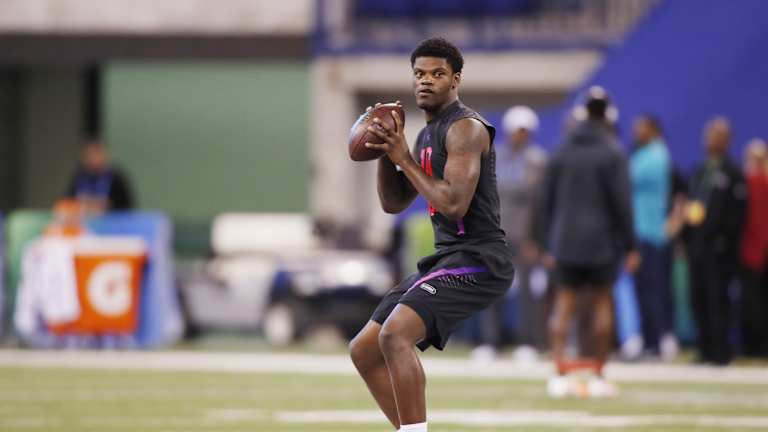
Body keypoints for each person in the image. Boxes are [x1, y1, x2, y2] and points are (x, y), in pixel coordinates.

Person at [348, 37, 514, 432]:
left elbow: (454, 204)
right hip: (447, 258)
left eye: (437, 74)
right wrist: (385, 150)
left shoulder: (466, 129)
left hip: (480, 258)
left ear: (455, 80)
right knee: (364, 350)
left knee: (395, 335)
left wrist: (403, 157)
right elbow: (393, 203)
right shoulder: (425, 135)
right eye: (419, 74)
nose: (426, 80)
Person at [537, 86, 638, 397]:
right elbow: (622, 203)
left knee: (563, 305)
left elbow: (545, 201)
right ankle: (598, 375)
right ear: (607, 116)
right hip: (601, 243)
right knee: (602, 305)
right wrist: (630, 245)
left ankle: (559, 376)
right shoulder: (613, 151)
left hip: (565, 242)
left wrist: (545, 243)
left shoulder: (561, 150)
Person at [470, 105, 548, 361]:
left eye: (525, 131)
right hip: (495, 233)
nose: (520, 135)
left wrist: (536, 239)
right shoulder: (494, 158)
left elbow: (540, 204)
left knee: (527, 291)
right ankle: (491, 342)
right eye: (517, 130)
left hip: (524, 234)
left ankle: (527, 342)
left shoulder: (537, 161)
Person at [685, 117, 747, 365]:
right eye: (708, 135)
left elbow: (738, 212)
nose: (710, 141)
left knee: (718, 298)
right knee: (698, 297)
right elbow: (691, 202)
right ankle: (705, 348)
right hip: (698, 245)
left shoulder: (732, 172)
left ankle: (721, 350)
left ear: (727, 140)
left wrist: (725, 239)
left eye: (716, 136)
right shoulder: (701, 170)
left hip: (720, 248)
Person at [629, 114, 678, 360]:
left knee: (651, 290)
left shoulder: (656, 155)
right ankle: (649, 342)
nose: (636, 131)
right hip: (641, 231)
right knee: (643, 290)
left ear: (654, 129)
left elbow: (627, 179)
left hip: (650, 231)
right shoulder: (642, 154)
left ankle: (657, 342)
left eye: (642, 127)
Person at [738, 138, 768, 357]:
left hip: (756, 249)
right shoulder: (749, 181)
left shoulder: (755, 182)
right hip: (752, 248)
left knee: (755, 300)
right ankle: (754, 345)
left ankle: (756, 346)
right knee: (753, 300)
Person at [65, 136, 134, 214]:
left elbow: (128, 208)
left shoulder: (116, 179)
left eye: (97, 153)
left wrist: (109, 207)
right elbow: (67, 203)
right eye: (89, 154)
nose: (93, 158)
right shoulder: (78, 177)